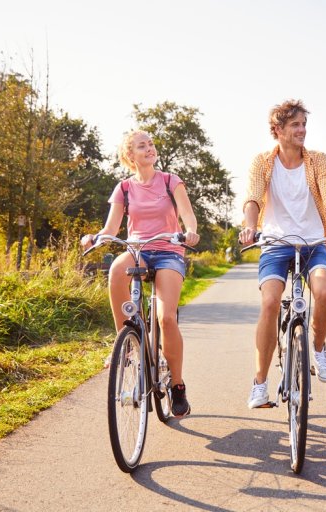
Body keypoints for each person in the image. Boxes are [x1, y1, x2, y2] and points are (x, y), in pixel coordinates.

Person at [238, 99, 326, 409]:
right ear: (278, 130)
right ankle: (260, 383)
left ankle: (317, 348)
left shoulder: (317, 160)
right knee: (270, 302)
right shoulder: (263, 163)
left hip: (314, 241)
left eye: (304, 124)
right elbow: (253, 197)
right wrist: (250, 227)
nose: (302, 130)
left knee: (324, 291)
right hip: (276, 242)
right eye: (295, 125)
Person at [81, 130, 199, 418]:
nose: (149, 148)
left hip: (169, 250)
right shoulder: (123, 189)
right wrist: (96, 237)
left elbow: (188, 216)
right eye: (142, 146)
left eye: (151, 144)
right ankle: (127, 342)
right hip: (138, 251)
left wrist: (190, 233)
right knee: (117, 269)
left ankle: (178, 385)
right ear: (130, 155)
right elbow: (111, 229)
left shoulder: (171, 181)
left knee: (166, 317)